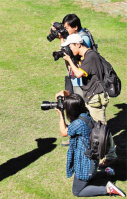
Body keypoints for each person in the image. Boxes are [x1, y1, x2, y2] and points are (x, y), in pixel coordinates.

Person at [60, 33, 118, 168]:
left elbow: (78, 73)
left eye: (70, 47)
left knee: (101, 129)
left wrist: (69, 59)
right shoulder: (86, 56)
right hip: (93, 96)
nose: (69, 49)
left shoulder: (91, 56)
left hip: (96, 97)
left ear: (78, 44)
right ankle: (107, 154)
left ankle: (111, 156)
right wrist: (69, 59)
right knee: (99, 127)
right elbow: (74, 72)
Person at [54, 92, 125, 197]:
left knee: (77, 191)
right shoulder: (85, 113)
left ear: (71, 110)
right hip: (92, 157)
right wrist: (64, 95)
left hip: (85, 162)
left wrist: (61, 115)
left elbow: (63, 132)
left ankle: (108, 189)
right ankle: (107, 172)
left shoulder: (78, 123)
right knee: (88, 176)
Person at [52, 14, 92, 146]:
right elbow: (66, 51)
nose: (65, 30)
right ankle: (74, 134)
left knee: (79, 107)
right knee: (73, 106)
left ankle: (82, 134)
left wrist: (68, 57)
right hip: (73, 76)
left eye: (67, 28)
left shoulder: (82, 38)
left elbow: (78, 57)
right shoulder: (72, 37)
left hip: (81, 79)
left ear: (75, 27)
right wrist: (61, 38)